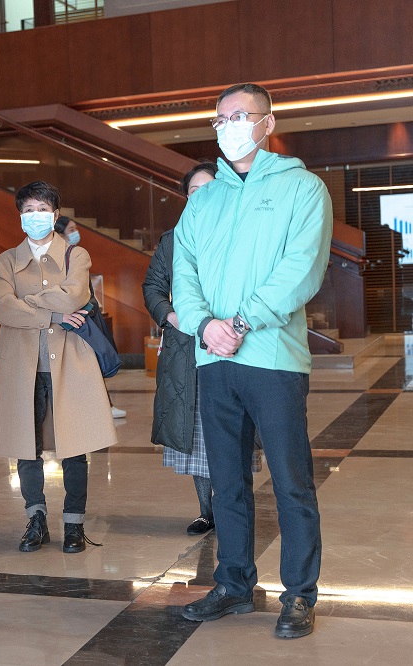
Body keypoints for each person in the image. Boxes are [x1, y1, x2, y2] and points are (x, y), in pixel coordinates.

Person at [172, 83, 332, 639]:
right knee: (227, 482)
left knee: (291, 481)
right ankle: (234, 584)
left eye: (240, 115)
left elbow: (301, 268)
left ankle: (300, 594)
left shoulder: (302, 188)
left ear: (267, 122)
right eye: (220, 118)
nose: (229, 125)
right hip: (213, 357)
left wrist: (240, 323)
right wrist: (204, 325)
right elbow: (183, 270)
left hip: (273, 358)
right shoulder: (203, 200)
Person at [0, 182, 117, 554]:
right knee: (26, 447)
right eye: (28, 209)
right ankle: (36, 519)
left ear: (55, 215)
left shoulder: (76, 255)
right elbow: (1, 307)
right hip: (21, 367)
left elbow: (75, 294)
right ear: (20, 216)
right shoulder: (6, 260)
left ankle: (74, 524)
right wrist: (53, 315)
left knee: (75, 446)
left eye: (42, 208)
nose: (35, 215)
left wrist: (26, 302)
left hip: (71, 363)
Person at [142, 162, 218, 536]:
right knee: (196, 432)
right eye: (194, 191)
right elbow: (153, 287)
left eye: (210, 189)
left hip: (231, 344)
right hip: (186, 348)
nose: (201, 197)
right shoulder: (172, 240)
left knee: (230, 432)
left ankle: (234, 509)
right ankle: (207, 511)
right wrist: (171, 317)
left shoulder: (239, 233)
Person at [54, 215, 126, 419]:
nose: (76, 233)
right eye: (71, 230)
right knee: (86, 364)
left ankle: (104, 406)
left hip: (87, 316)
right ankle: (100, 407)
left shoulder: (76, 255)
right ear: (59, 234)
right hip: (73, 321)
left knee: (92, 363)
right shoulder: (60, 259)